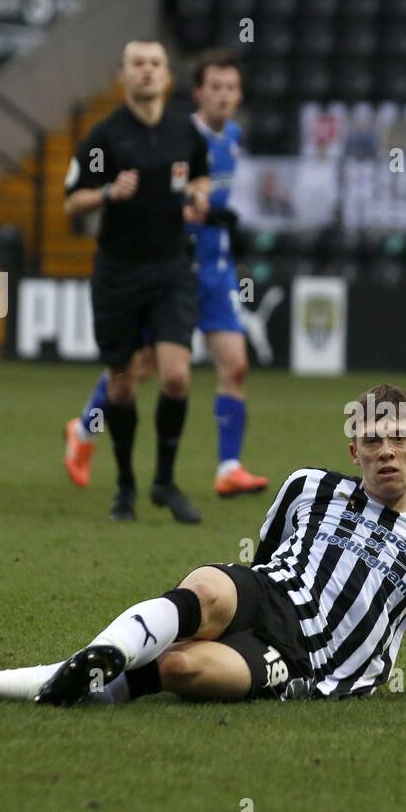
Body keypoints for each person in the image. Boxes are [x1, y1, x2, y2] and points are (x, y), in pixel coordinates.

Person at [0, 385, 406, 706]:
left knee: (180, 665)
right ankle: (10, 677)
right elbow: (265, 560)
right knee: (210, 585)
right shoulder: (308, 487)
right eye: (372, 440)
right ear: (354, 451)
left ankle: (67, 684)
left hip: (312, 664)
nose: (386, 452)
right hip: (268, 593)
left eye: (399, 439)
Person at [64, 49, 266, 498]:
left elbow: (206, 196)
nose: (224, 97)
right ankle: (84, 430)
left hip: (214, 271)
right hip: (169, 267)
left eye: (232, 89)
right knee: (138, 368)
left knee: (236, 364)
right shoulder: (175, 135)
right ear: (196, 92)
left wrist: (216, 218)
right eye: (215, 87)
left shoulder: (232, 138)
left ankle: (229, 467)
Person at [62, 39, 210, 523]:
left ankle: (164, 483)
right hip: (119, 272)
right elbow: (71, 200)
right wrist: (106, 191)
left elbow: (202, 178)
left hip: (170, 268)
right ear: (123, 75)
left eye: (155, 64)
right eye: (137, 64)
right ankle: (125, 486)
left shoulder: (184, 131)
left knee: (176, 376)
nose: (146, 72)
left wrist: (199, 196)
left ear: (167, 76)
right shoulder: (104, 137)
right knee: (121, 387)